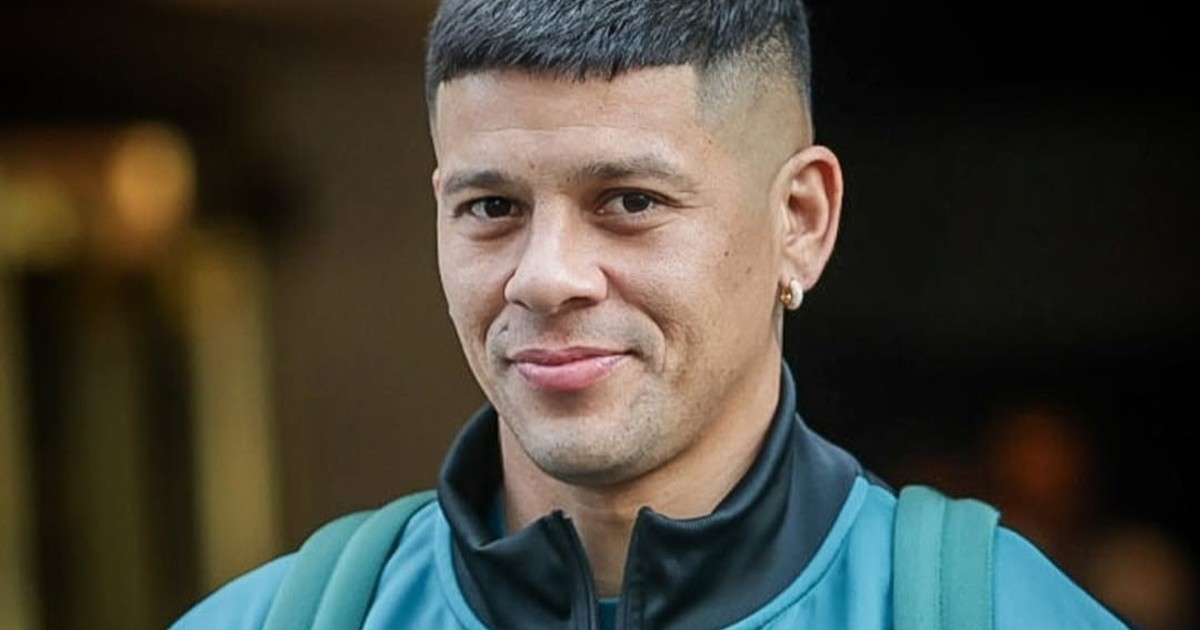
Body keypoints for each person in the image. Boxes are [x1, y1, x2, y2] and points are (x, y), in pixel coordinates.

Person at [171, 0, 1131, 627]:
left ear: (801, 222)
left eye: (629, 201)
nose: (545, 278)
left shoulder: (1000, 612)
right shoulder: (276, 619)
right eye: (492, 207)